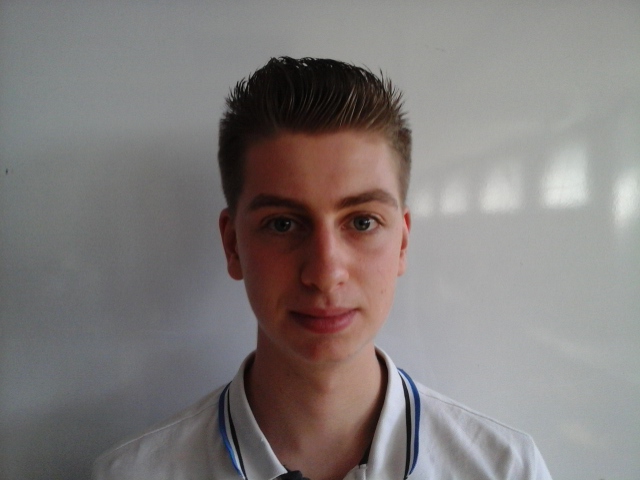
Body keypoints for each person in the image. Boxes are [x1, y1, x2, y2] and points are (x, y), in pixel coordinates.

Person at [93, 57, 552, 480]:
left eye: (362, 222)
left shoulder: (505, 469)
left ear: (402, 242)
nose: (325, 272)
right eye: (283, 223)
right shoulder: (130, 475)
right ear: (233, 245)